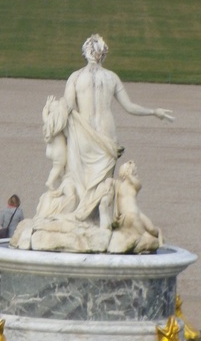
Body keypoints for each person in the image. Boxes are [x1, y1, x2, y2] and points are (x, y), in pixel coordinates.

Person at [45, 34, 174, 227]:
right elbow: (129, 107)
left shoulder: (76, 77)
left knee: (81, 178)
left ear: (86, 52)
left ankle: (83, 220)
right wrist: (154, 112)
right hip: (107, 136)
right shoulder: (111, 77)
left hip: (84, 135)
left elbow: (68, 109)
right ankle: (98, 221)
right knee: (103, 184)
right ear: (102, 54)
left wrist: (50, 119)